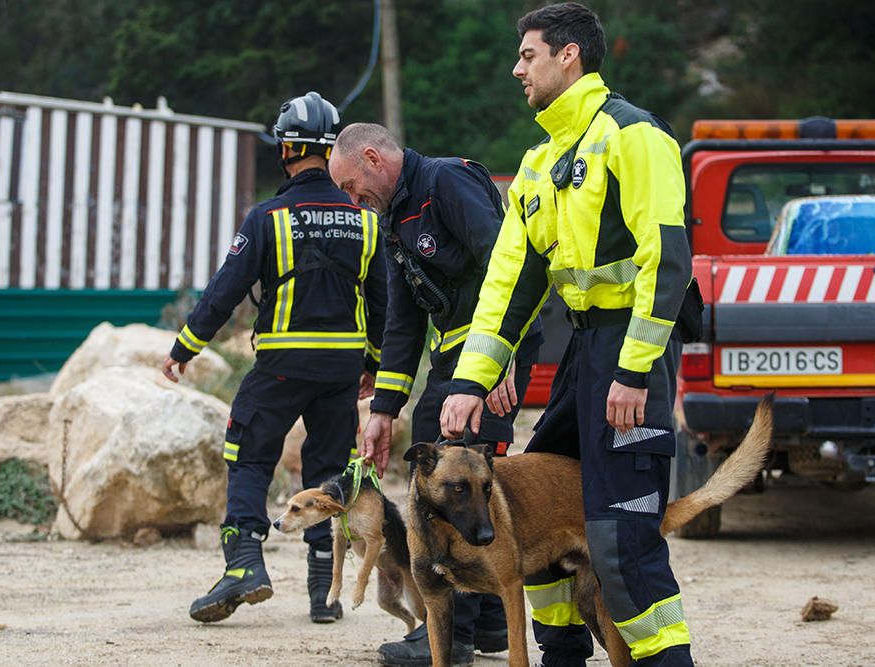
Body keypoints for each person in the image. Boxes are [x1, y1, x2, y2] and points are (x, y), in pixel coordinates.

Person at [440, 3, 695, 666]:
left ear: (568, 55)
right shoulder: (539, 162)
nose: (516, 68)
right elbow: (508, 286)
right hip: (584, 350)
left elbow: (666, 262)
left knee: (620, 541)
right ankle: (560, 655)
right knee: (533, 504)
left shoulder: (633, 136)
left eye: (528, 55)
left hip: (629, 351)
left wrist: (636, 370)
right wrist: (471, 379)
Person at [161, 92, 387, 626]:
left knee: (249, 456)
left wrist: (183, 349)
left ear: (287, 148)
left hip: (281, 364)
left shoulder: (267, 217)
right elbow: (384, 303)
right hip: (341, 369)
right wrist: (373, 364)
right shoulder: (366, 221)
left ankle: (244, 564)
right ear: (331, 151)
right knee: (328, 474)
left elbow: (226, 289)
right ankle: (321, 594)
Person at [328, 122, 544, 667]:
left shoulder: (446, 183)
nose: (354, 201)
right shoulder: (392, 218)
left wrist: (502, 355)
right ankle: (491, 620)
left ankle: (451, 637)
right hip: (454, 357)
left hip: (490, 350)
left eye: (354, 187)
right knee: (451, 466)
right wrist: (382, 410)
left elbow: (506, 262)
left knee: (455, 481)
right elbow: (403, 322)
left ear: (374, 159)